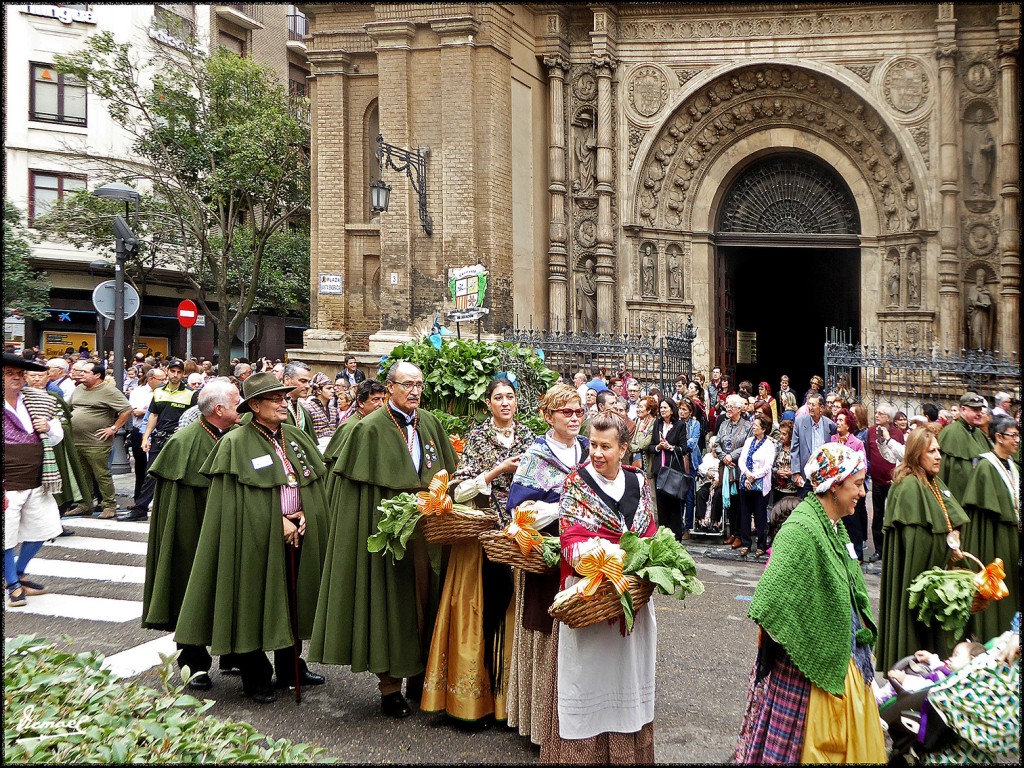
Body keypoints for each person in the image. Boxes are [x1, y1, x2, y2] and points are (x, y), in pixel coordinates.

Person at [308, 362, 457, 718]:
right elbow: (356, 497)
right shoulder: (369, 429)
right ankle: (389, 687)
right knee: (390, 608)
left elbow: (445, 473)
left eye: (420, 384)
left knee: (426, 606)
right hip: (387, 537)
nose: (416, 391)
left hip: (428, 535)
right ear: (389, 387)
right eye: (408, 384)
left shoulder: (431, 423)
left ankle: (422, 681)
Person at [174, 372, 329, 703]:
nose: (283, 403)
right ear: (255, 406)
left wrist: (303, 515)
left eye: (285, 397)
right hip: (253, 540)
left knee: (293, 602)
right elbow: (232, 504)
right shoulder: (234, 442)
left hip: (297, 534)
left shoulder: (294, 436)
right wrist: (277, 521)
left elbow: (309, 482)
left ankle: (291, 668)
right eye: (276, 399)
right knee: (252, 602)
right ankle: (255, 676)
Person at [734, 442, 886, 764]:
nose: (862, 493)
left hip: (841, 657)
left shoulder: (834, 526)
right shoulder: (801, 530)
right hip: (805, 670)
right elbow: (771, 601)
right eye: (857, 484)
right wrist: (806, 635)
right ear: (834, 485)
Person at [540, 413, 658, 764]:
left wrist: (638, 563)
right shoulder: (576, 483)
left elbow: (651, 533)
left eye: (606, 446)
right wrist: (610, 557)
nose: (596, 453)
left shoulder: (639, 481)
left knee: (628, 680)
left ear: (623, 448)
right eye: (592, 444)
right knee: (586, 681)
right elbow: (570, 541)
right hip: (590, 596)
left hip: (631, 599)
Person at [422, 377, 536, 723]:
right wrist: (498, 470)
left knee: (514, 612)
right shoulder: (478, 438)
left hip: (522, 532)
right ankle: (479, 701)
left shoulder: (530, 438)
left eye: (510, 397)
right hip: (485, 533)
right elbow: (459, 490)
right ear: (488, 404)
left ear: (517, 402)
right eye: (498, 398)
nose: (505, 403)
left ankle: (510, 705)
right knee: (484, 609)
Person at [141, 378, 243, 690]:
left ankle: (233, 654)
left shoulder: (232, 435)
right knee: (189, 589)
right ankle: (194, 665)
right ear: (220, 408)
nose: (244, 407)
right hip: (192, 530)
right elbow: (176, 506)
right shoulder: (184, 442)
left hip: (227, 527)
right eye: (238, 402)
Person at [505, 383, 588, 745]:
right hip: (544, 557)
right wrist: (562, 506)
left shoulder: (588, 450)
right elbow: (518, 512)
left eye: (579, 411)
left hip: (582, 555)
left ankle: (574, 719)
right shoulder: (536, 456)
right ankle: (541, 724)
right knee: (545, 632)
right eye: (566, 412)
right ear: (548, 416)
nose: (574, 418)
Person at [876, 428, 970, 672]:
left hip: (936, 571)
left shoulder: (933, 482)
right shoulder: (908, 486)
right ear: (917, 454)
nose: (939, 456)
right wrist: (944, 548)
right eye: (932, 451)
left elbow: (953, 519)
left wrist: (954, 539)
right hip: (917, 574)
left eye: (939, 450)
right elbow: (917, 543)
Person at [4, 355, 65, 607]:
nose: (16, 377)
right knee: (6, 535)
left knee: (44, 529)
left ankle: (18, 572)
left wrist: (48, 427)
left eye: (20, 372)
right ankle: (12, 584)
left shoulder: (38, 401)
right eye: (9, 372)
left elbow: (58, 436)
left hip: (38, 479)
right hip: (8, 482)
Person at [961, 415, 1020, 642]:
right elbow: (983, 514)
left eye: (1017, 435)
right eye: (1012, 436)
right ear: (998, 437)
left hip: (1011, 537)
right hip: (994, 539)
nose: (1017, 441)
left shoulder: (1013, 466)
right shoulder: (986, 466)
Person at [128, 359, 199, 522]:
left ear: (183, 374)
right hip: (159, 437)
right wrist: (146, 437)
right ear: (167, 371)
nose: (175, 375)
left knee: (177, 474)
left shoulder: (191, 393)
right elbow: (153, 415)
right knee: (151, 473)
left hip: (179, 439)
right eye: (172, 371)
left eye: (178, 372)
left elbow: (196, 417)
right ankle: (141, 508)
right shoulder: (159, 391)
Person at [64, 360, 132, 519]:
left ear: (97, 375)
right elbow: (69, 407)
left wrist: (113, 428)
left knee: (101, 475)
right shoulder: (79, 388)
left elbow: (127, 410)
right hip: (76, 440)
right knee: (82, 474)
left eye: (85, 372)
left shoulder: (109, 391)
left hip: (97, 442)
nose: (81, 374)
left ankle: (109, 506)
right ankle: (85, 504)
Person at [874, 641, 986, 707]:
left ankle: (874, 703)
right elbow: (939, 666)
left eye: (956, 655)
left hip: (914, 699)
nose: (951, 658)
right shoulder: (952, 672)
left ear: (971, 661)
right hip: (913, 692)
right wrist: (929, 657)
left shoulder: (951, 682)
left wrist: (904, 679)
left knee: (890, 689)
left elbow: (927, 689)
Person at [938, 392, 993, 504]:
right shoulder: (950, 433)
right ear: (963, 410)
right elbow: (941, 473)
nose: (979, 414)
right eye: (974, 410)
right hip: (957, 497)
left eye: (980, 410)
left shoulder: (979, 433)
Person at [320, 379, 387, 467]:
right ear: (361, 402)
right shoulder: (350, 427)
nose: (381, 404)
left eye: (383, 399)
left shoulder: (378, 422)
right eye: (376, 399)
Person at [647, 397, 686, 541]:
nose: (662, 410)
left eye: (665, 407)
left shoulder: (680, 425)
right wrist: (658, 447)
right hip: (660, 470)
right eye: (661, 408)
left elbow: (684, 448)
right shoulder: (657, 424)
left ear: (672, 409)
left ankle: (676, 539)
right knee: (662, 506)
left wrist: (670, 447)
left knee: (674, 506)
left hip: (674, 471)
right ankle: (663, 538)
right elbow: (651, 446)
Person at [736, 412, 775, 557]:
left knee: (760, 515)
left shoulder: (769, 445)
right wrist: (746, 474)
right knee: (745, 513)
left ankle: (761, 544)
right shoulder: (749, 441)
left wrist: (754, 476)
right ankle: (746, 543)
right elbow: (741, 460)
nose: (753, 427)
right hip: (745, 481)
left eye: (756, 426)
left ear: (763, 429)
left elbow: (768, 466)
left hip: (760, 483)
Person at [716, 394, 753, 546]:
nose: (728, 409)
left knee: (739, 502)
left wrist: (732, 456)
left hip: (739, 468)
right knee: (729, 502)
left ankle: (739, 534)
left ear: (739, 409)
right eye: (727, 406)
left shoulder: (747, 426)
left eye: (731, 406)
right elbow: (717, 441)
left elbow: (747, 446)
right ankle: (732, 532)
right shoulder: (723, 424)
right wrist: (724, 456)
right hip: (726, 467)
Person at [831, 407, 867, 561]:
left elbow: (862, 464)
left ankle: (857, 553)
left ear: (848, 424)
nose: (837, 423)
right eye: (837, 420)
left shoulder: (857, 443)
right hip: (837, 485)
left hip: (851, 485)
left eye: (840, 420)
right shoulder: (832, 439)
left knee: (853, 520)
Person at [128, 367, 167, 503]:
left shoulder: (167, 392)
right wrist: (154, 410)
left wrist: (147, 410)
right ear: (150, 379)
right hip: (140, 431)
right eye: (161, 379)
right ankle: (139, 498)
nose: (164, 381)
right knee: (141, 467)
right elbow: (136, 411)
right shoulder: (138, 391)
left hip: (159, 433)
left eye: (164, 379)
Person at [790, 393, 837, 498]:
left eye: (813, 405)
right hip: (805, 476)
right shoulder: (800, 422)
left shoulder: (829, 425)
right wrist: (796, 473)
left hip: (823, 476)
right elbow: (794, 449)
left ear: (821, 408)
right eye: (809, 404)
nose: (810, 408)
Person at [677, 398, 702, 540]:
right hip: (677, 462)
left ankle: (687, 527)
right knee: (677, 496)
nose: (682, 412)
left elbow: (693, 443)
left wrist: (679, 445)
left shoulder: (695, 424)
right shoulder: (676, 423)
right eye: (680, 409)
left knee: (689, 497)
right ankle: (678, 525)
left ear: (690, 411)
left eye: (685, 409)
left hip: (690, 462)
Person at [281, 362, 317, 441]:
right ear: (287, 379)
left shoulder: (304, 411)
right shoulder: (274, 407)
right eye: (303, 381)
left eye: (309, 382)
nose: (308, 386)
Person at [305, 372, 340, 450]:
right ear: (319, 391)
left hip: (332, 449)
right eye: (328, 388)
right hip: (316, 449)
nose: (332, 391)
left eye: (332, 388)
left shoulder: (333, 410)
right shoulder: (308, 409)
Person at [628, 396, 657, 473]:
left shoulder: (654, 424)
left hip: (649, 465)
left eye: (641, 407)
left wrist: (641, 431)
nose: (638, 410)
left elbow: (644, 445)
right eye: (637, 407)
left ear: (649, 410)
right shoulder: (640, 422)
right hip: (638, 464)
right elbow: (631, 445)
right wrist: (639, 447)